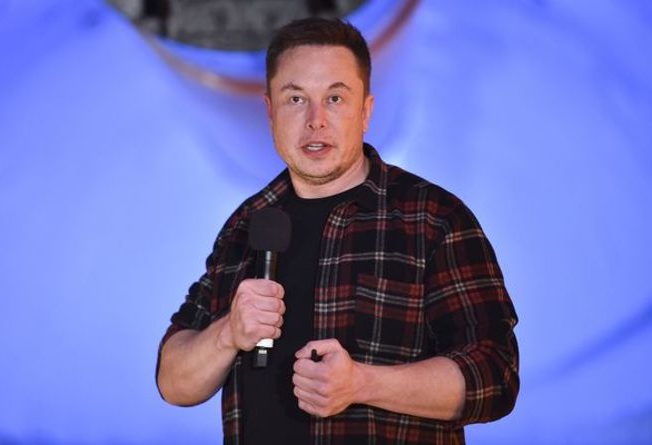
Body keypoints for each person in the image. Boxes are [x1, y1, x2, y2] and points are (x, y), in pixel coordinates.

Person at [156, 17, 519, 444]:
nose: (316, 120)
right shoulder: (245, 225)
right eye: (295, 99)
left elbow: (495, 376)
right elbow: (173, 381)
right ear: (270, 111)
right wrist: (227, 334)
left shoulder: (433, 217)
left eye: (335, 98)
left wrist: (363, 384)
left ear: (365, 111)